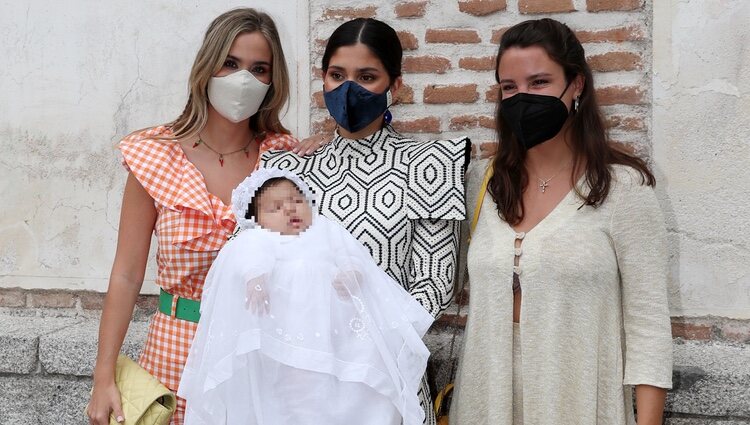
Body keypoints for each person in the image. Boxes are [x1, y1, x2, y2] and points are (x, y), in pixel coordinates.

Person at [449, 18, 673, 425]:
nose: (522, 98)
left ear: (577, 85)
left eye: (539, 83)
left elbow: (649, 326)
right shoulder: (481, 182)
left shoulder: (624, 189)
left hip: (578, 402)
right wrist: (330, 147)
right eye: (509, 88)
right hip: (484, 403)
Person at [87, 9, 298, 425]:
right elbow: (127, 275)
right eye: (231, 64)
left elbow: (302, 265)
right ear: (207, 67)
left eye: (259, 69)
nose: (243, 80)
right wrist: (103, 374)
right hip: (174, 353)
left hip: (259, 354)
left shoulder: (285, 159)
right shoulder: (156, 155)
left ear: (273, 83)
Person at [262, 18, 470, 425]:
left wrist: (367, 340)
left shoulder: (428, 165)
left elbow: (434, 285)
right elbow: (254, 265)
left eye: (367, 76)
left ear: (395, 86)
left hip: (383, 382)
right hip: (295, 384)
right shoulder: (287, 169)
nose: (348, 90)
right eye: (337, 75)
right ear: (323, 79)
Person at [177, 168, 434, 425]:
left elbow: (349, 252)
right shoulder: (260, 238)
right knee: (289, 387)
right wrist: (255, 277)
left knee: (342, 384)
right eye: (276, 208)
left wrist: (351, 271)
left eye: (297, 201)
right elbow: (250, 257)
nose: (290, 209)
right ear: (257, 219)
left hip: (333, 332)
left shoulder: (325, 229)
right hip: (284, 331)